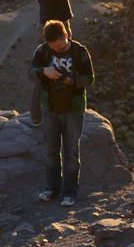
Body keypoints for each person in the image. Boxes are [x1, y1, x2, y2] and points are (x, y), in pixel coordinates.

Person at [29, 19, 94, 207]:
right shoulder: (43, 51)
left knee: (71, 153)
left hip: (72, 111)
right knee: (50, 151)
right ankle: (52, 189)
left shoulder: (80, 52)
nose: (56, 49)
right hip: (49, 110)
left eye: (59, 46)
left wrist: (72, 82)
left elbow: (90, 78)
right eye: (53, 47)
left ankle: (70, 193)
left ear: (66, 36)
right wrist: (45, 72)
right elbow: (30, 73)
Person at [29, 0, 89, 124]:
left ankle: (36, 117)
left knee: (43, 71)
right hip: (59, 30)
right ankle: (69, 110)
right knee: (69, 68)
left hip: (43, 27)